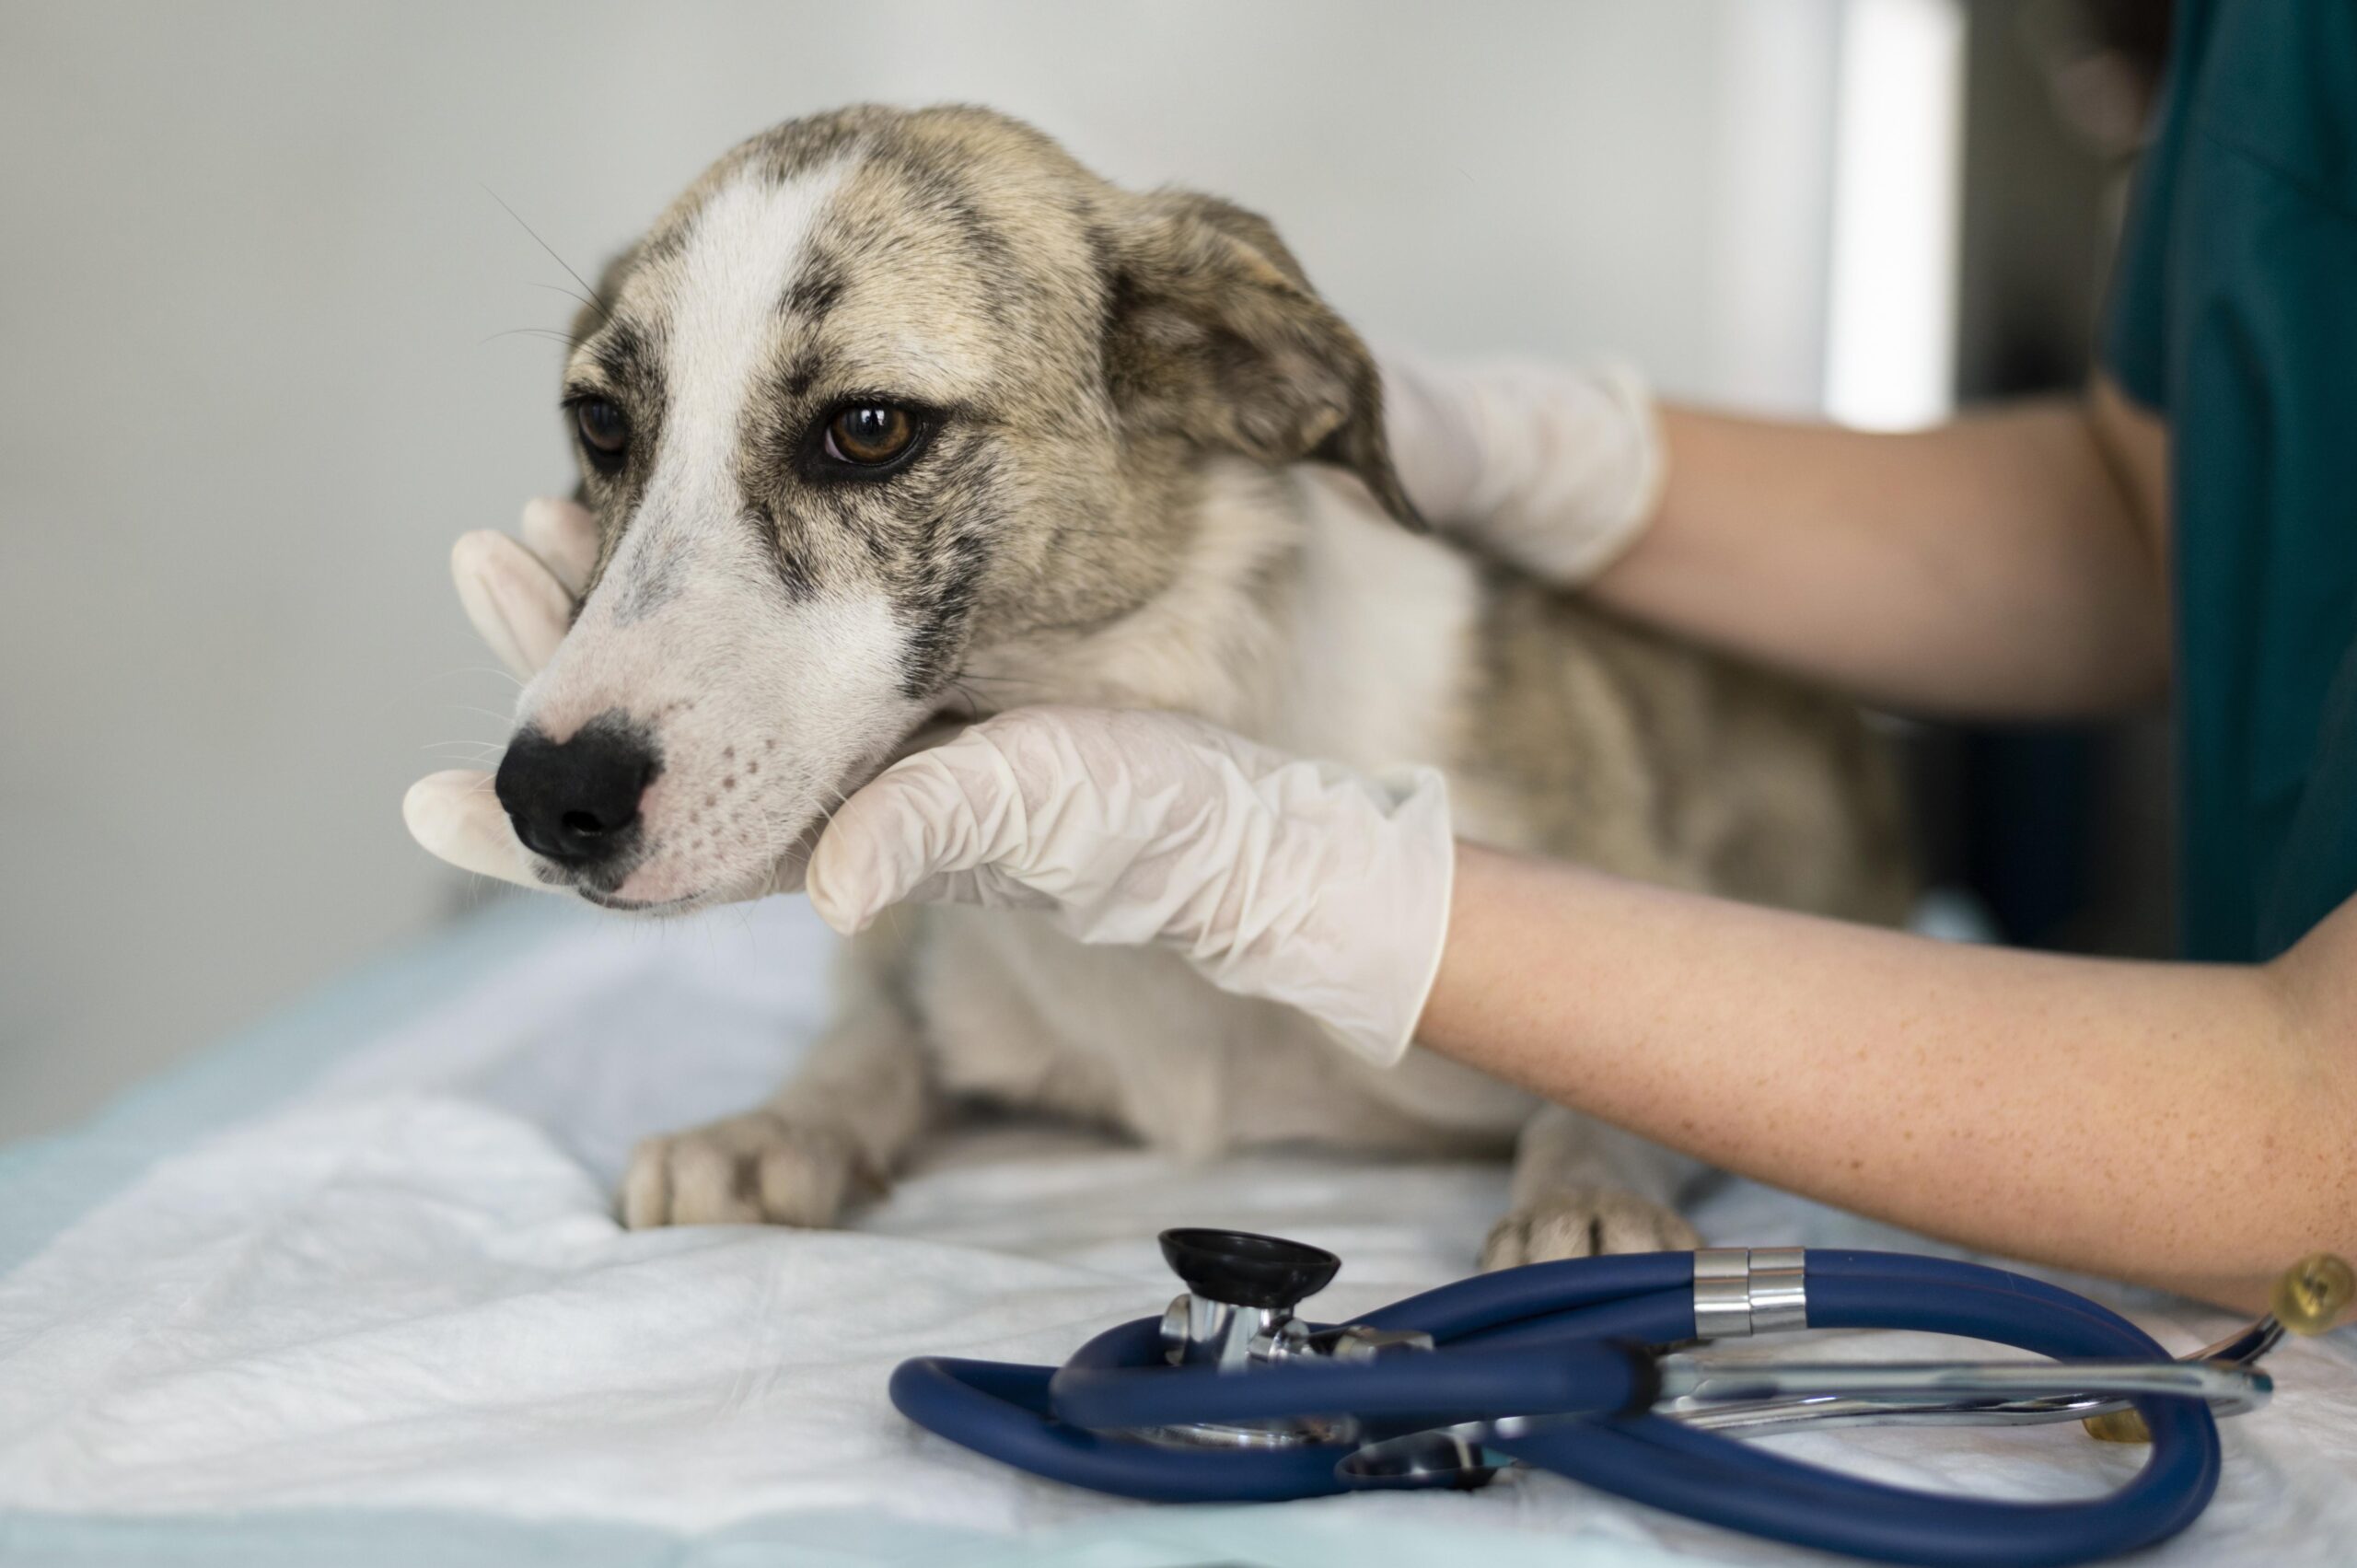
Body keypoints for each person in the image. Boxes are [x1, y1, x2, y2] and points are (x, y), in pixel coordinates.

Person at [409, 2, 2353, 1312]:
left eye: (861, 434)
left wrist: (1344, 908)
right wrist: (1573, 456)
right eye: (613, 427)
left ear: (1211, 376)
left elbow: (2308, 1136)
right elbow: (2164, 515)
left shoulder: (1463, 706)